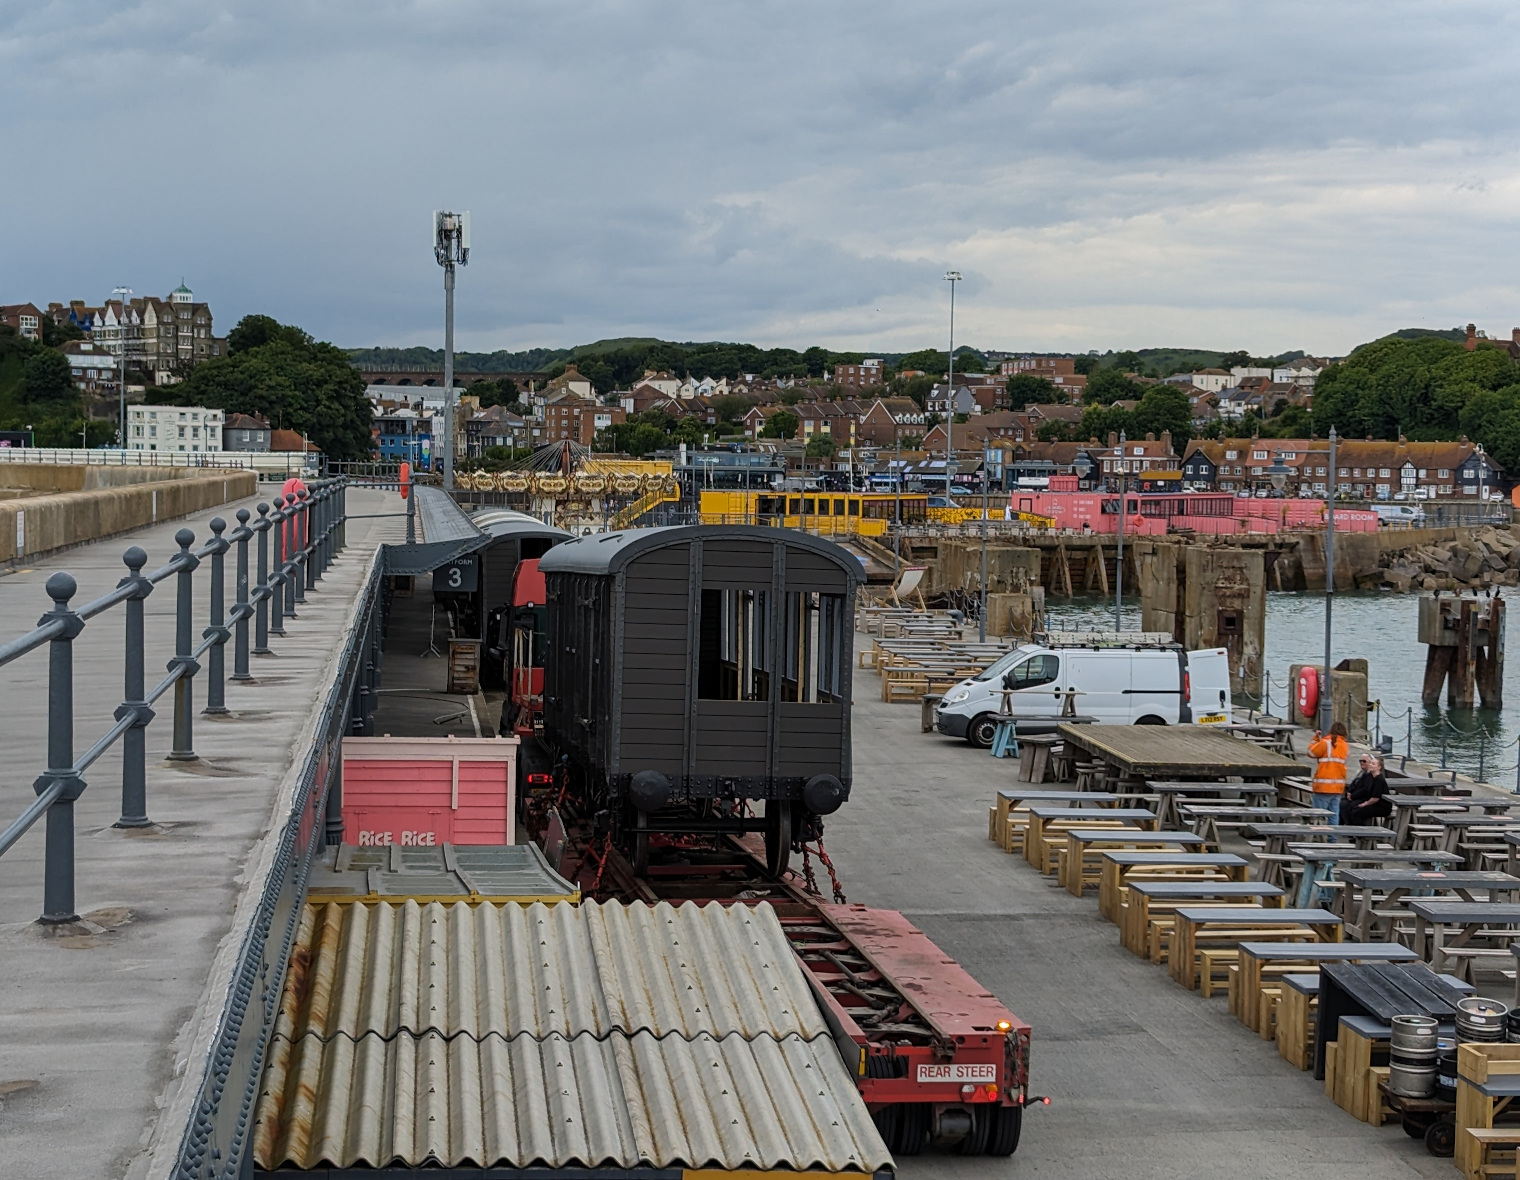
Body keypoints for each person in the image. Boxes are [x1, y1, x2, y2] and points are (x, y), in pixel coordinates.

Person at [1307, 721, 1349, 825]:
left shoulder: (1325, 742)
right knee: (1334, 815)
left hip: (1323, 786)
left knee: (1317, 816)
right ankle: (1332, 839)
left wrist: (1315, 739)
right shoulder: (1345, 745)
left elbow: (1311, 753)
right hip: (1338, 787)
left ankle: (1317, 836)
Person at [1342, 752, 1391, 826]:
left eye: (1373, 764)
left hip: (1381, 806)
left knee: (1355, 812)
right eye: (1371, 763)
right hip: (1374, 803)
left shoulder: (1379, 780)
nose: (1370, 765)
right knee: (1351, 807)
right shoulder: (1371, 777)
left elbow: (1375, 798)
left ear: (1379, 767)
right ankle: (1351, 829)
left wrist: (1364, 804)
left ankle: (1362, 833)